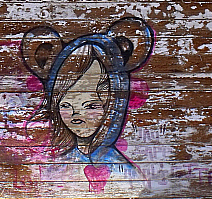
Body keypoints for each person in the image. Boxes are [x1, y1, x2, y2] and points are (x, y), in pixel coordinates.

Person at [21, 17, 154, 184]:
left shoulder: (126, 172)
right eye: (66, 105)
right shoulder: (55, 169)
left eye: (91, 105)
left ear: (112, 106)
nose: (77, 113)